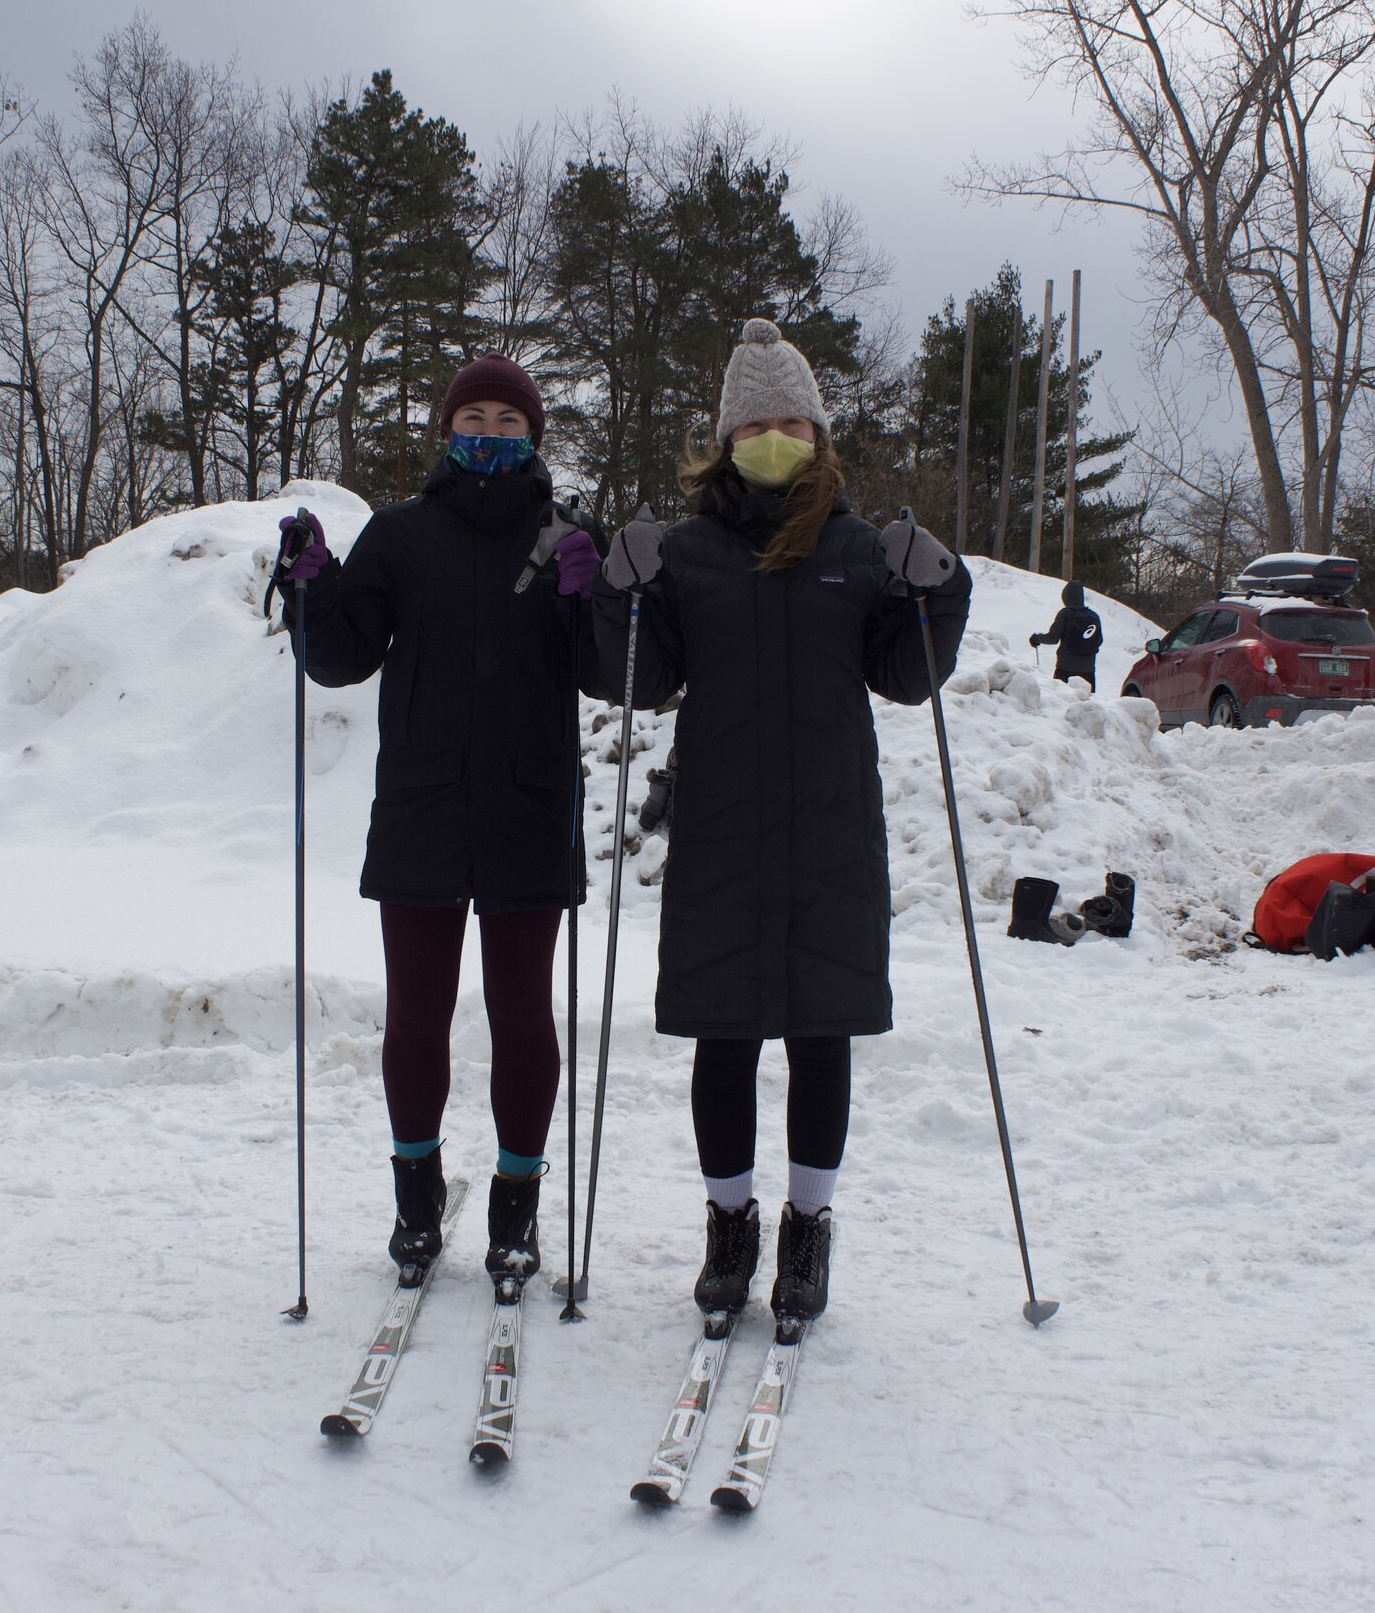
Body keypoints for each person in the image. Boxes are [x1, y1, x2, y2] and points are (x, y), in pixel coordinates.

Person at [588, 318, 970, 1326]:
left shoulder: (855, 550)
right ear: (724, 437)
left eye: (790, 419)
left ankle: (807, 1229)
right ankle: (728, 1226)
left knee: (819, 1036)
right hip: (718, 831)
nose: (773, 436)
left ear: (818, 429)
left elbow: (907, 673)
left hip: (828, 834)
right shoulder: (688, 554)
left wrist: (941, 590)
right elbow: (645, 675)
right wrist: (619, 597)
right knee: (723, 1037)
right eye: (754, 422)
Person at [274, 355, 600, 1290]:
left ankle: (516, 1206)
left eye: (508, 418)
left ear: (534, 434)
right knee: (415, 1014)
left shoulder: (566, 533)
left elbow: (608, 666)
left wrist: (600, 596)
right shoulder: (403, 535)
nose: (490, 431)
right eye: (474, 415)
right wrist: (313, 585)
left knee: (521, 1014)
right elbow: (342, 659)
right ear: (446, 429)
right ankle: (415, 1202)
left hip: (530, 810)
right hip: (421, 809)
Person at [1039, 580, 1103, 686]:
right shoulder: (1094, 616)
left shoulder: (1065, 614)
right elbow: (1099, 641)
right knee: (1086, 701)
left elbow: (1052, 638)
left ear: (1066, 597)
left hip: (1065, 668)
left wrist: (1037, 638)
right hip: (1088, 671)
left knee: (1063, 701)